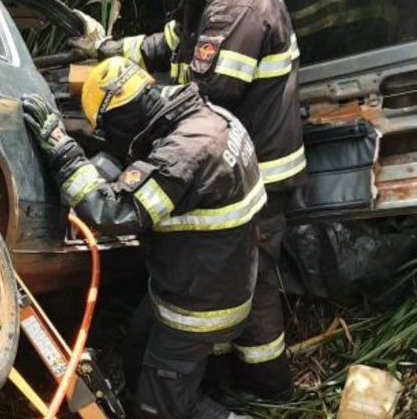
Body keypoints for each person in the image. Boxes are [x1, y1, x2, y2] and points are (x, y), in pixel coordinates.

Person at [71, 0, 302, 399]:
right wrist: (109, 49)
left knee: (249, 286)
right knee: (224, 283)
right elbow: (166, 45)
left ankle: (269, 391)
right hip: (230, 165)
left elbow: (204, 100)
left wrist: (129, 114)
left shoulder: (238, 4)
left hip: (254, 171)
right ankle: (216, 384)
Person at [22, 56, 261, 419]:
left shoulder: (183, 154)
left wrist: (66, 155)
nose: (106, 136)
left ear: (124, 114)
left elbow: (116, 214)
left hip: (196, 310)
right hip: (211, 283)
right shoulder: (208, 118)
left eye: (107, 127)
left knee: (160, 410)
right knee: (137, 352)